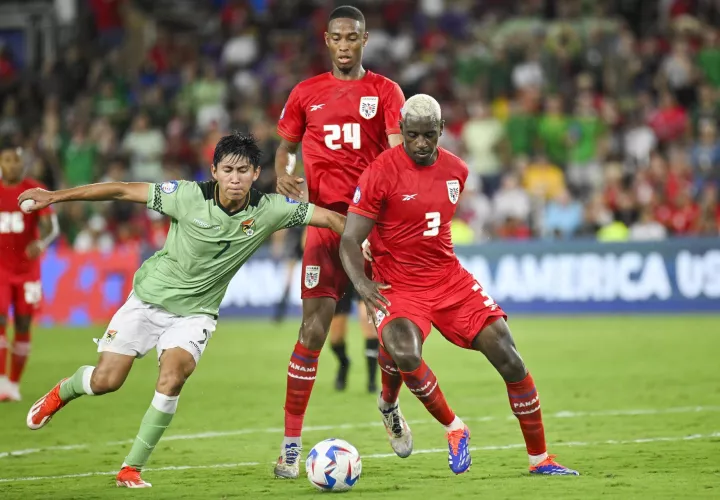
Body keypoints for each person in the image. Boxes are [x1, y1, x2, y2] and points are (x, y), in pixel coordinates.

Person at [21, 132, 345, 489]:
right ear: (214, 171)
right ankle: (61, 392)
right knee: (105, 381)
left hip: (197, 314)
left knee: (173, 376)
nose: (235, 178)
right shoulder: (186, 196)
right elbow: (122, 190)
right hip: (147, 300)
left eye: (243, 170)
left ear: (256, 174)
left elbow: (331, 219)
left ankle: (131, 468)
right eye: (227, 170)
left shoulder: (270, 209)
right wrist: (54, 197)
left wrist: (366, 245)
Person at [339, 94, 579, 477]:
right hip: (398, 283)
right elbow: (350, 239)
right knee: (405, 351)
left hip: (449, 279)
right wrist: (363, 284)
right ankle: (453, 427)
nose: (420, 143)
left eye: (428, 135)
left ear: (441, 132)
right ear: (401, 131)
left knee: (509, 356)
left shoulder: (458, 171)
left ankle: (540, 459)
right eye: (413, 135)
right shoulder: (380, 172)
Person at [272, 5, 405, 478]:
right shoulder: (306, 92)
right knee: (312, 330)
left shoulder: (385, 91)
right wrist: (281, 174)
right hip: (325, 224)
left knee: (396, 333)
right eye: (338, 38)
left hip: (372, 227)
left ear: (364, 40)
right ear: (327, 41)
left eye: (353, 37)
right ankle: (290, 446)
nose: (345, 45)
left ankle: (388, 405)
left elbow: (396, 156)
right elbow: (285, 145)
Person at [0, 142, 59, 402]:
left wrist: (41, 243)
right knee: (1, 321)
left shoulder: (34, 192)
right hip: (0, 270)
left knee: (23, 324)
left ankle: (13, 384)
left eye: (16, 159)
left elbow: (50, 227)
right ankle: (1, 379)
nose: (12, 164)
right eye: (7, 159)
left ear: (23, 162)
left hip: (27, 272)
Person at [329, 283, 378, 392]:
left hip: (363, 274)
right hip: (342, 277)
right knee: (335, 339)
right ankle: (344, 362)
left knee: (367, 320)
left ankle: (372, 382)